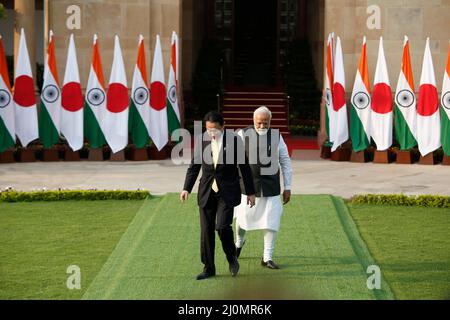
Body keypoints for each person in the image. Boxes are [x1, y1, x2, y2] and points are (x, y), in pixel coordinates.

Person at [180, 111, 256, 280]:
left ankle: (231, 258)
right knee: (206, 232)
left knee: (222, 227)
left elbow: (244, 167)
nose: (212, 133)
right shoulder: (202, 141)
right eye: (208, 130)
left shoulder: (234, 141)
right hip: (207, 191)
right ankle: (209, 267)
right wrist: (186, 188)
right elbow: (194, 166)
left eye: (215, 130)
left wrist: (250, 192)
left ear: (223, 126)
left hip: (227, 192)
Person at [234, 106, 292, 269]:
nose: (262, 126)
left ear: (270, 122)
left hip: (271, 187)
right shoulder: (242, 134)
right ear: (253, 121)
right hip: (247, 187)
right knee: (242, 219)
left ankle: (267, 257)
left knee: (271, 221)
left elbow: (285, 161)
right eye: (259, 123)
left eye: (265, 123)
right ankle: (239, 242)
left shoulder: (277, 136)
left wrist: (287, 186)